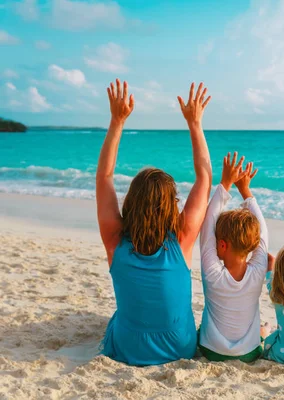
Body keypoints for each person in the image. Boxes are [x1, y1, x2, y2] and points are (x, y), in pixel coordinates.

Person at [96, 79, 212, 366]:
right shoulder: (182, 238)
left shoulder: (115, 239)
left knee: (119, 316)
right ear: (171, 205)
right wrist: (195, 124)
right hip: (180, 348)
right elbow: (205, 178)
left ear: (131, 202)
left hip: (128, 349)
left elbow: (105, 177)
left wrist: (117, 121)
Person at [197, 152, 269, 362]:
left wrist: (226, 183)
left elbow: (208, 224)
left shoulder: (213, 274)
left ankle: (263, 331)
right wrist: (245, 190)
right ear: (254, 245)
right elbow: (263, 231)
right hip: (249, 354)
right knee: (264, 330)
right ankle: (264, 332)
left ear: (221, 244)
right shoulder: (258, 270)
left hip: (210, 351)